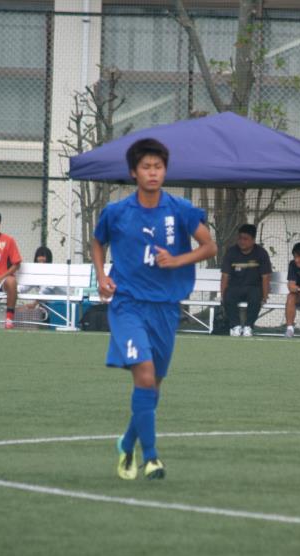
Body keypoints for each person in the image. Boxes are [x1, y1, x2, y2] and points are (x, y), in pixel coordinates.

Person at [92, 138, 217, 481]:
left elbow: (209, 246)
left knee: (153, 386)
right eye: (146, 167)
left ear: (165, 171)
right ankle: (151, 458)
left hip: (165, 308)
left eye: (158, 167)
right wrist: (102, 276)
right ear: (134, 172)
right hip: (128, 305)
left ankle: (126, 443)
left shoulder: (180, 209)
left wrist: (178, 260)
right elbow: (98, 242)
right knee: (145, 375)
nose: (152, 172)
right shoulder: (117, 212)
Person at [220, 223, 272, 337]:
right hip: (235, 288)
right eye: (240, 238)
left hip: (253, 288)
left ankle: (248, 326)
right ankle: (235, 326)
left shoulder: (261, 253)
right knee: (228, 295)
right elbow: (225, 276)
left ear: (253, 240)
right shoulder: (231, 252)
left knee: (256, 296)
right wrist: (222, 296)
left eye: (245, 239)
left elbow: (265, 277)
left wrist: (265, 296)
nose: (241, 241)